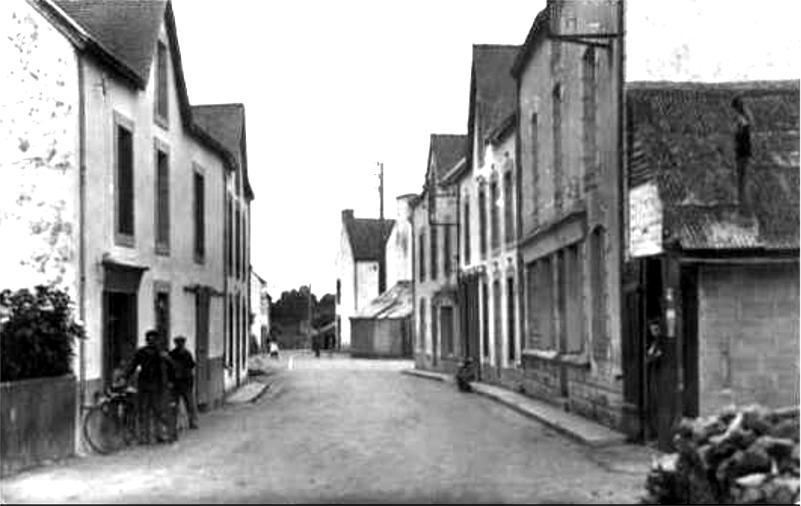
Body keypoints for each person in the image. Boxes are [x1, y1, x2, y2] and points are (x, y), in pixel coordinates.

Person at [124, 329, 173, 444]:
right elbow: (133, 366)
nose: (152, 341)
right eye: (150, 339)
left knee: (156, 411)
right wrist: (125, 377)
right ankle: (145, 436)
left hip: (155, 385)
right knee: (146, 411)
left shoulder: (161, 353)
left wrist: (169, 381)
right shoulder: (143, 352)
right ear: (147, 340)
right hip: (146, 385)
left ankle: (156, 435)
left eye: (154, 339)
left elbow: (169, 367)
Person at [169, 336, 199, 430]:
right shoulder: (173, 354)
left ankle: (192, 422)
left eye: (181, 343)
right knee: (176, 404)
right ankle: (178, 423)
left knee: (189, 403)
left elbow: (191, 366)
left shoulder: (186, 354)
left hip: (185, 382)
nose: (180, 344)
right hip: (177, 382)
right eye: (178, 343)